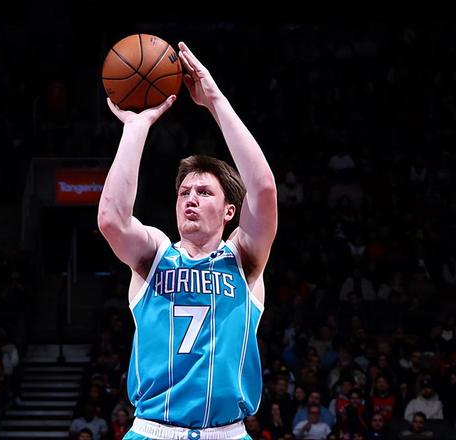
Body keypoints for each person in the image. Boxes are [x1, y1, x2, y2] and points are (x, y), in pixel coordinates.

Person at [98, 41, 278, 439]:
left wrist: (215, 101)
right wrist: (136, 128)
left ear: (229, 211)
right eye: (184, 192)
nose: (190, 198)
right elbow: (111, 219)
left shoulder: (244, 259)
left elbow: (263, 188)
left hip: (226, 433)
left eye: (204, 192)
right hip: (152, 431)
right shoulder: (155, 255)